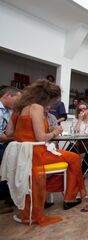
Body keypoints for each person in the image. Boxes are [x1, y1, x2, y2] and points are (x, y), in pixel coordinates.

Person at [6, 79, 85, 225]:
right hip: (36, 153)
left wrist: (29, 135)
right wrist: (55, 131)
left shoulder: (19, 108)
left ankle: (52, 194)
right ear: (47, 97)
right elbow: (41, 138)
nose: (51, 105)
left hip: (22, 154)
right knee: (74, 158)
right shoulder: (36, 108)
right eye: (52, 101)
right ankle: (69, 197)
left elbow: (9, 132)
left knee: (68, 157)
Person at [0, 86, 21, 215]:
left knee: (16, 159)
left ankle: (8, 196)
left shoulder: (8, 111)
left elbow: (8, 133)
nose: (17, 103)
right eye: (16, 100)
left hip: (4, 143)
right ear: (8, 95)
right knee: (10, 164)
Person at [70, 102, 88, 172]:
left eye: (84, 108)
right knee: (70, 151)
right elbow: (74, 132)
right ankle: (70, 171)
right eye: (80, 110)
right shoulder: (76, 119)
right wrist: (80, 120)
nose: (83, 111)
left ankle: (81, 172)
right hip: (79, 143)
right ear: (78, 112)